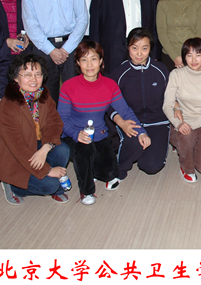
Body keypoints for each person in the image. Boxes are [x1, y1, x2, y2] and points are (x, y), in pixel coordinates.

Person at [58, 41, 150, 205]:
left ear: (101, 61)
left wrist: (142, 132)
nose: (89, 65)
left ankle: (90, 166)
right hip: (74, 136)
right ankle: (86, 191)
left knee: (109, 174)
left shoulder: (109, 85)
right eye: (84, 60)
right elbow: (62, 118)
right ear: (78, 63)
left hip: (100, 135)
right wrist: (76, 134)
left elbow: (125, 111)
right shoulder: (68, 86)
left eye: (93, 59)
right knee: (85, 150)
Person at [0, 53, 70, 205]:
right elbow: (18, 148)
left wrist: (46, 147)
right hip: (12, 157)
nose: (34, 79)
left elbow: (54, 123)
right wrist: (48, 171)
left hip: (34, 144)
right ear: (16, 78)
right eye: (27, 74)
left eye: (38, 74)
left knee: (63, 150)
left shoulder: (43, 95)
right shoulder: (8, 106)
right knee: (51, 185)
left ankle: (48, 177)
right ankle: (13, 186)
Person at [22, 0, 87, 104]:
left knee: (74, 94)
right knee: (46, 97)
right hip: (42, 48)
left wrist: (65, 49)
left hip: (70, 46)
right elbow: (29, 22)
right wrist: (51, 50)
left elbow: (82, 19)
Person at [108, 28, 170, 180]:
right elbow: (108, 103)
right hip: (131, 121)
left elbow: (171, 97)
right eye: (134, 48)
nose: (139, 53)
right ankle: (119, 169)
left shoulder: (161, 70)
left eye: (144, 48)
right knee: (133, 146)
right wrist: (121, 122)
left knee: (150, 166)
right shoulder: (119, 73)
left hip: (158, 122)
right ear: (128, 47)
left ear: (150, 49)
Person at [163, 38, 201, 183]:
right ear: (184, 57)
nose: (194, 60)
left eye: (198, 54)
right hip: (181, 123)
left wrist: (192, 126)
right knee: (186, 137)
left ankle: (188, 148)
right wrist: (179, 124)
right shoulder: (176, 74)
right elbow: (167, 105)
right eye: (189, 55)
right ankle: (186, 168)